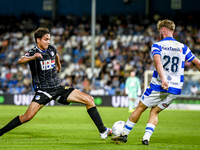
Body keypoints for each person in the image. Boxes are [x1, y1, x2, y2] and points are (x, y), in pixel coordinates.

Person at [0, 27, 112, 139]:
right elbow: (21, 60)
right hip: (44, 91)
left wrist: (59, 66)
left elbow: (56, 56)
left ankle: (103, 131)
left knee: (89, 100)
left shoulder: (51, 49)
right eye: (46, 39)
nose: (48, 42)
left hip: (58, 88)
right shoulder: (33, 52)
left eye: (49, 39)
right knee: (27, 117)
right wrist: (32, 57)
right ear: (38, 40)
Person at [111, 19, 200, 145]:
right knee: (155, 111)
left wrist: (163, 80)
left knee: (140, 108)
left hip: (159, 85)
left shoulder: (157, 45)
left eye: (159, 30)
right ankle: (146, 138)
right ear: (172, 30)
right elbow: (198, 63)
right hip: (175, 88)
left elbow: (158, 63)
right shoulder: (183, 47)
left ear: (162, 30)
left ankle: (124, 134)